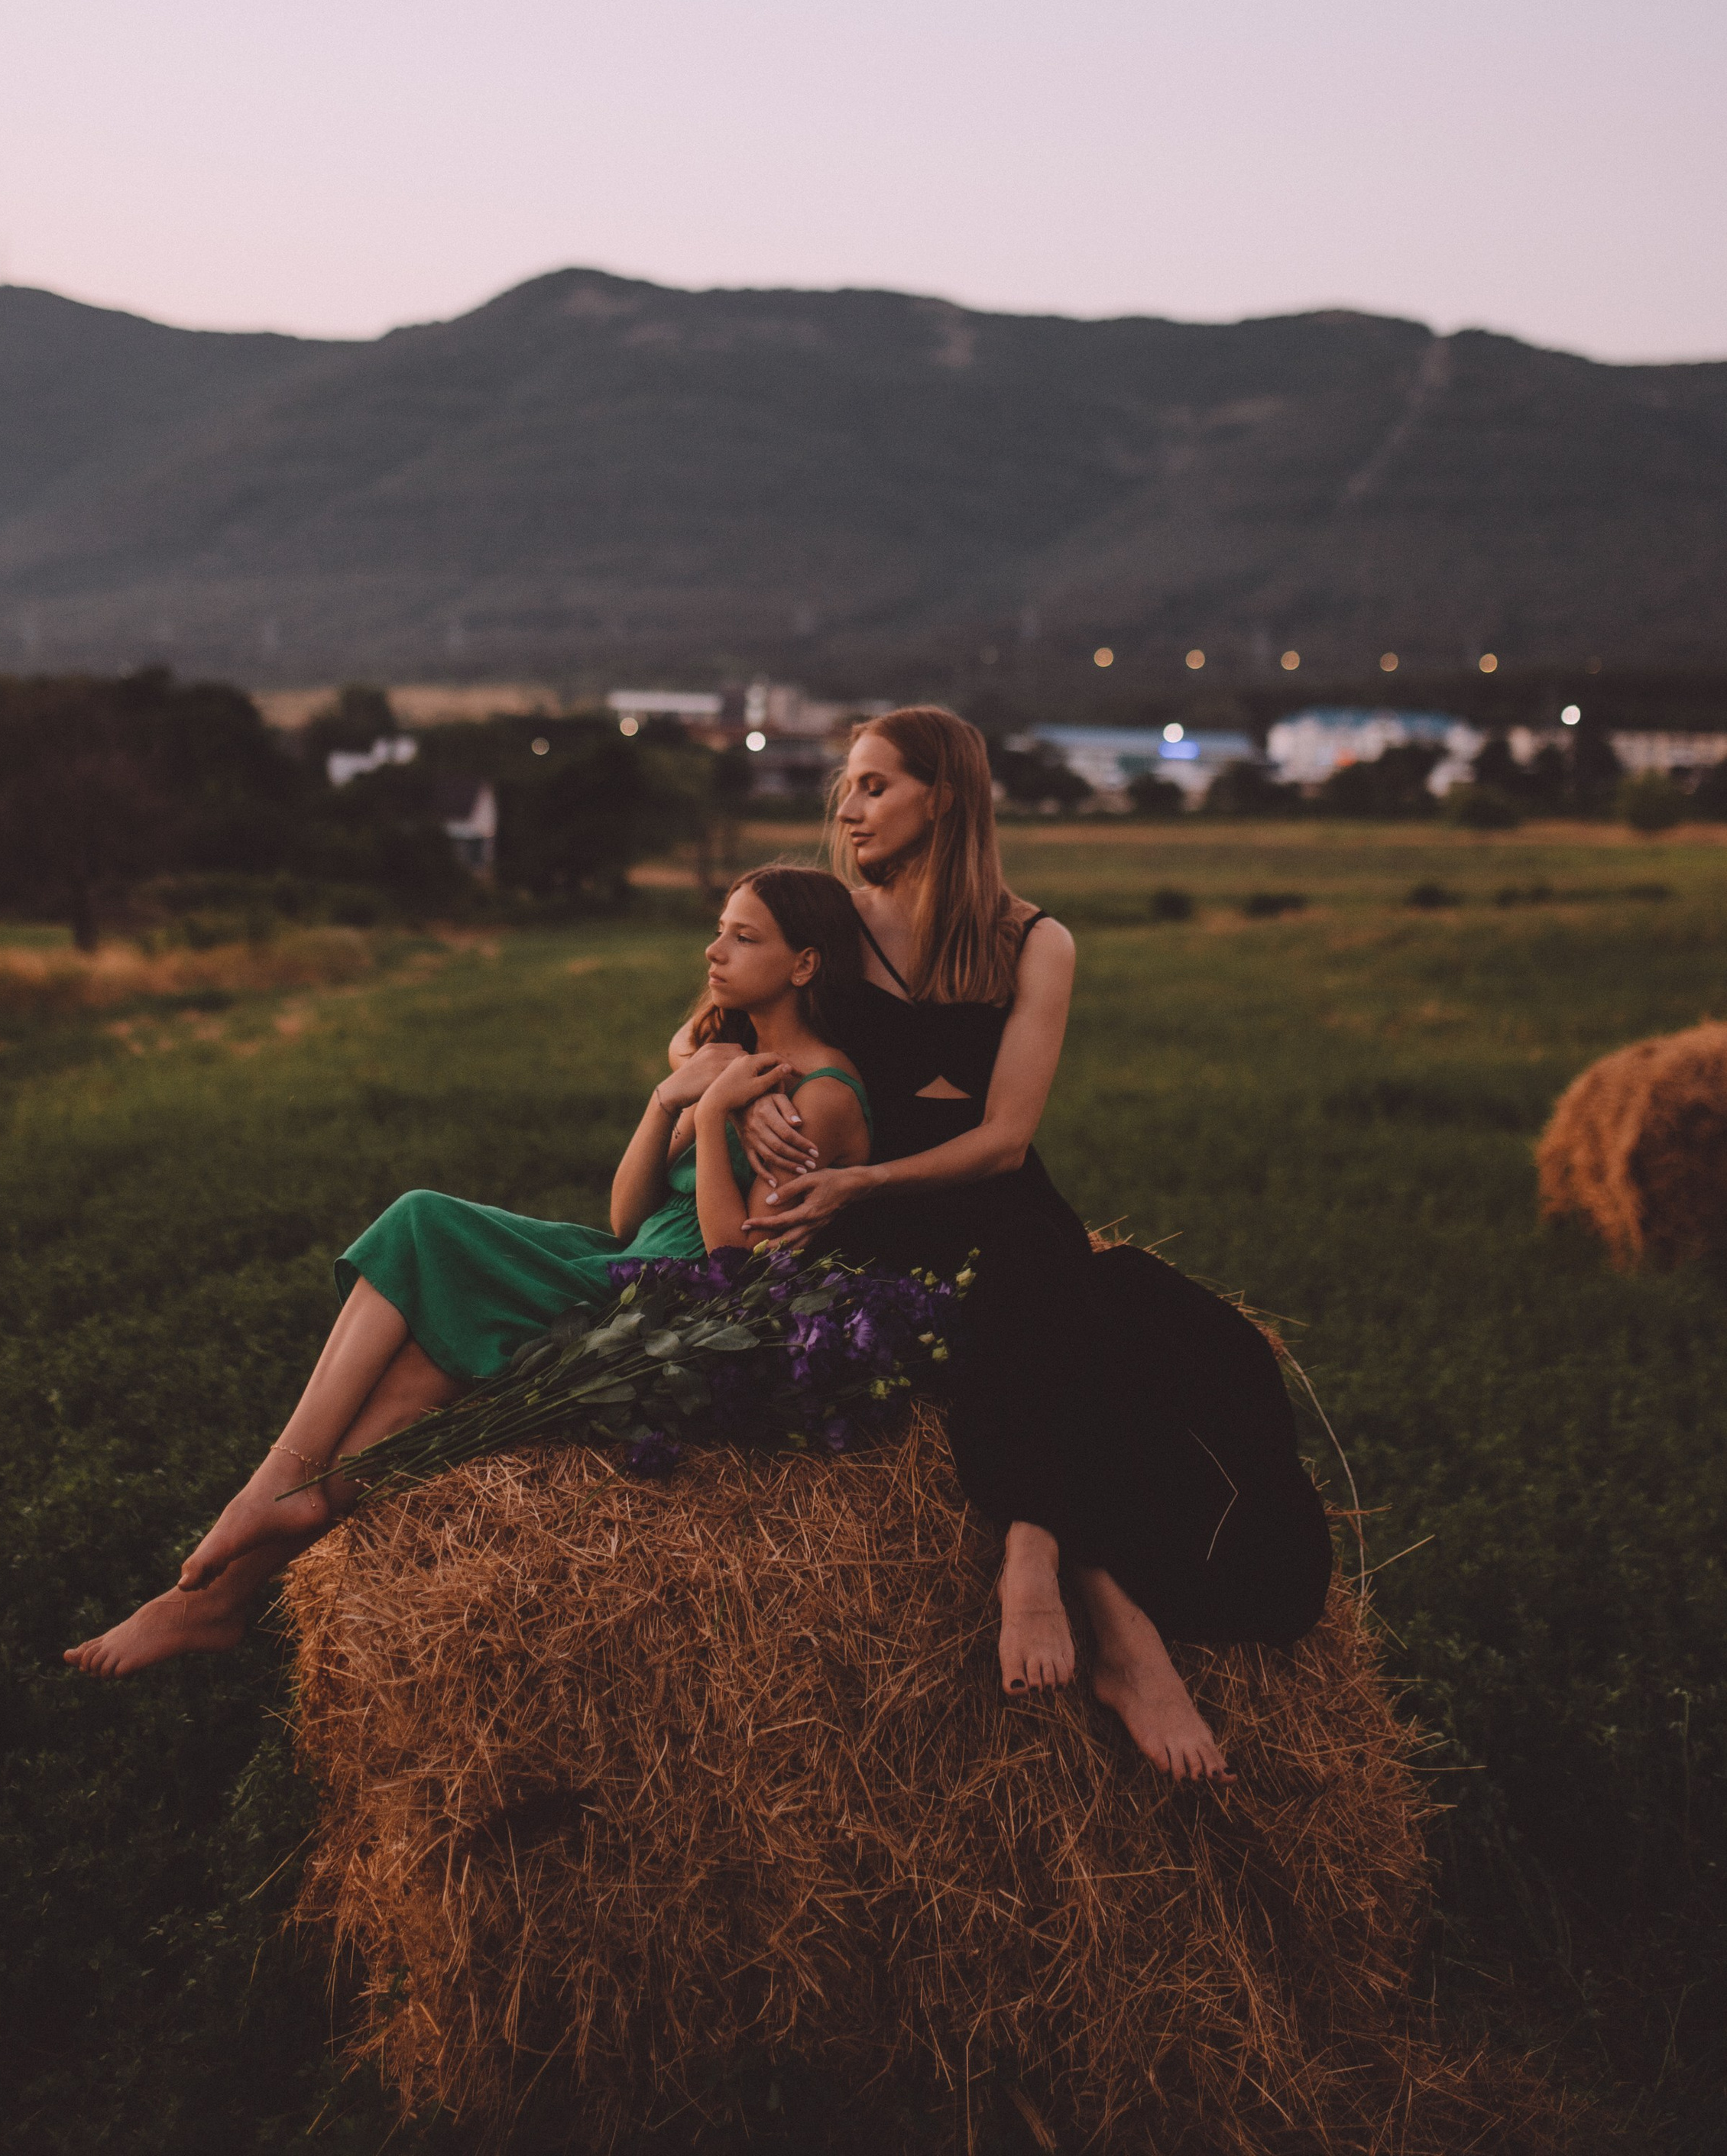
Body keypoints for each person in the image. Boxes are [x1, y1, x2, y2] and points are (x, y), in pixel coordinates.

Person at [66, 867, 870, 1678]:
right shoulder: (729, 1058)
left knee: (419, 1217)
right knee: (413, 1369)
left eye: (743, 934)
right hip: (619, 1259)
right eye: (720, 927)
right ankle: (220, 1596)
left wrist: (710, 1118)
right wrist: (670, 1101)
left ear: (804, 963)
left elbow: (736, 1271)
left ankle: (278, 1480)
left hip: (670, 1308)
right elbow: (627, 1212)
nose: (713, 947)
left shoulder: (826, 1094)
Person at [737, 707, 1331, 1782]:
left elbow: (1006, 1140)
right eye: (847, 786)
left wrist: (862, 1174)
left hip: (985, 1206)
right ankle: (1117, 1627)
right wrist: (738, 1102)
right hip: (867, 1232)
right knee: (1042, 1303)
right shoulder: (830, 924)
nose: (848, 806)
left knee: (1178, 1334)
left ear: (944, 797)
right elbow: (709, 1016)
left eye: (875, 785)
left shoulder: (1034, 942)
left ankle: (1039, 1552)